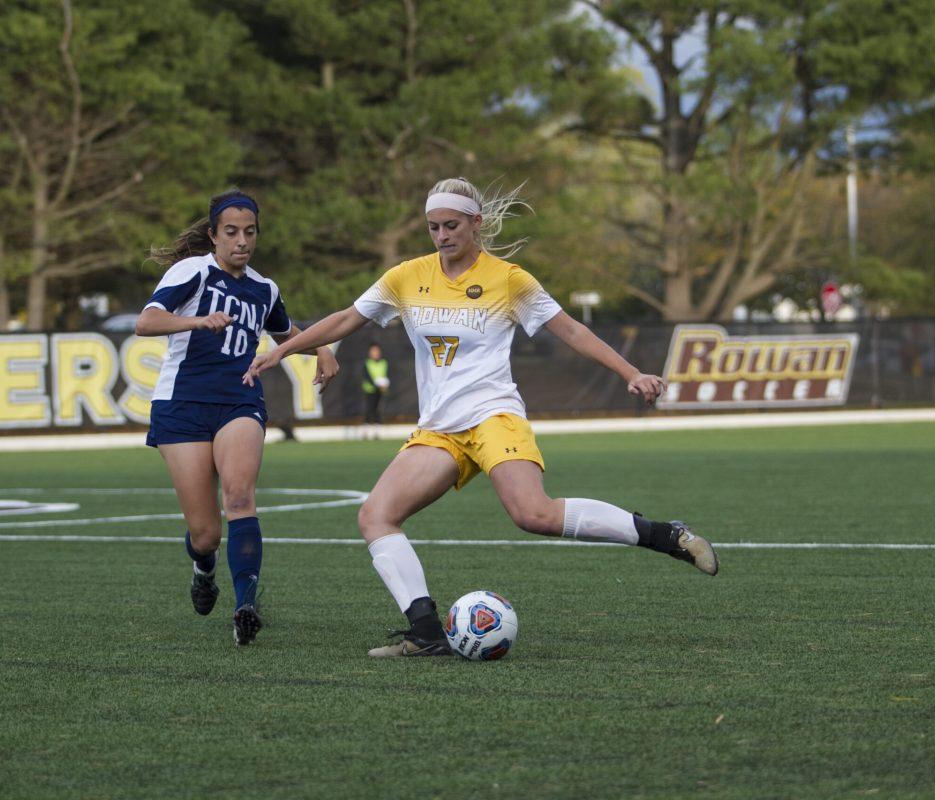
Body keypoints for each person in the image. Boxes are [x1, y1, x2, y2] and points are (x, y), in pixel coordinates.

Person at [244, 177, 716, 658]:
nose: (442, 235)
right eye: (433, 227)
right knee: (376, 516)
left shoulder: (509, 279)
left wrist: (630, 372)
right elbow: (346, 318)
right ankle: (426, 634)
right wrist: (284, 350)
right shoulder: (406, 276)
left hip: (494, 417)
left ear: (476, 223)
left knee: (533, 514)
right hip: (439, 429)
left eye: (451, 225)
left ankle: (664, 535)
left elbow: (570, 330)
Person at [137, 189, 338, 646]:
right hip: (182, 406)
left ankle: (245, 605)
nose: (241, 241)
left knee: (240, 496)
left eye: (249, 232)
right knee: (205, 534)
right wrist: (197, 321)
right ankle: (203, 567)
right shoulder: (192, 271)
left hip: (239, 401)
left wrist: (322, 347)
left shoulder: (264, 288)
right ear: (213, 235)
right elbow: (145, 322)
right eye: (231, 232)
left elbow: (287, 332)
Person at [362, 342, 390, 428]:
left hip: (381, 390)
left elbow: (386, 375)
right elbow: (367, 376)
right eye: (373, 351)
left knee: (379, 408)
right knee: (370, 407)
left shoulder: (384, 362)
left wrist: (385, 384)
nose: (375, 353)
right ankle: (366, 426)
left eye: (377, 351)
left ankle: (378, 426)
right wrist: (377, 384)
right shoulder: (367, 363)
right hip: (370, 390)